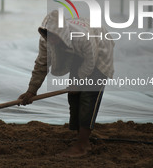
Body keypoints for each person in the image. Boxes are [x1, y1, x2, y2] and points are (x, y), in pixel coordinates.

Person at [18, 10, 114, 158]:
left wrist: (79, 82)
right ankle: (82, 138)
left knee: (89, 97)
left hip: (99, 53)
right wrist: (32, 90)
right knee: (74, 98)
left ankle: (81, 146)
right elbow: (41, 64)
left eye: (54, 36)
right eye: (47, 34)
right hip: (78, 54)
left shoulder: (82, 37)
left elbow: (91, 62)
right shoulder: (46, 41)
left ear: (62, 33)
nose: (51, 39)